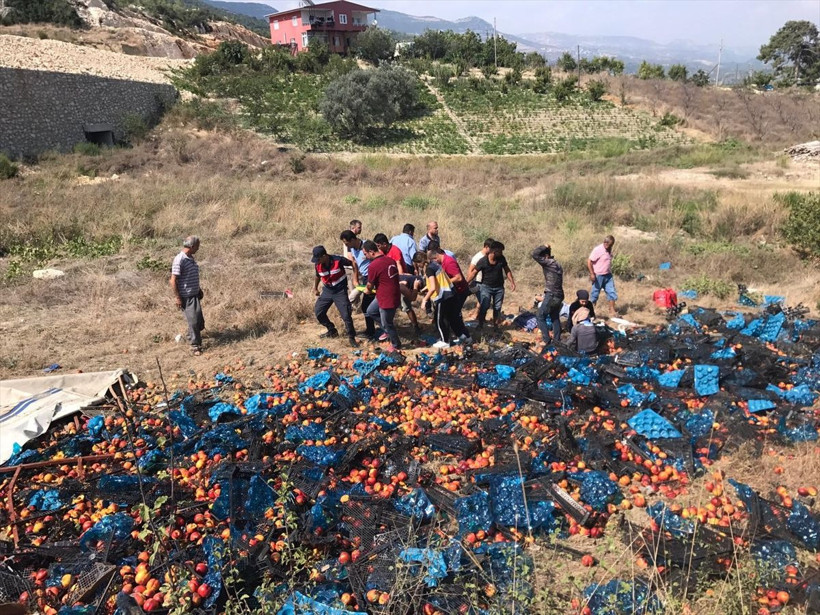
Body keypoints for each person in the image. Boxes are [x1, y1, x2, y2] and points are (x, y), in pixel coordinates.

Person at [422, 247, 471, 346]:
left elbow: (459, 278)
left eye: (434, 260)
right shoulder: (439, 264)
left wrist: (443, 284)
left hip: (458, 291)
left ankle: (450, 339)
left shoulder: (448, 262)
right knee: (451, 317)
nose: (435, 262)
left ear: (437, 256)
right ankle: (463, 337)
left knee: (452, 317)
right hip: (451, 291)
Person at [312, 246, 358, 347]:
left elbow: (353, 264)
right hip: (327, 291)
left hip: (340, 291)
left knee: (346, 315)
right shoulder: (317, 265)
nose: (317, 261)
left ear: (324, 256)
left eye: (318, 259)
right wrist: (315, 288)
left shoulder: (339, 260)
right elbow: (317, 276)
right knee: (319, 312)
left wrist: (355, 279)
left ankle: (351, 337)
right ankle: (331, 330)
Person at [468, 241, 516, 331]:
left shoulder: (501, 259)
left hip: (499, 288)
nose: (501, 253)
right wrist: (466, 283)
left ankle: (496, 326)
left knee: (497, 307)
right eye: (500, 251)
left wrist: (512, 282)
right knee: (484, 306)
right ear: (494, 251)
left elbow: (507, 270)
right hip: (486, 287)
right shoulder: (483, 261)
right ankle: (480, 324)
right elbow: (474, 272)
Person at [170, 236, 205, 356]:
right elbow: (173, 280)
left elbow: (190, 276)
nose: (198, 248)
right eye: (197, 246)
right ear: (192, 246)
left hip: (194, 294)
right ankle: (195, 346)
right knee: (194, 321)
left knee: (199, 322)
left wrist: (198, 289)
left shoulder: (190, 258)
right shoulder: (180, 259)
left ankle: (191, 335)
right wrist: (178, 297)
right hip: (187, 296)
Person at [363, 241, 402, 350]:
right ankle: (387, 331)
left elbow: (370, 285)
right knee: (371, 311)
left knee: (387, 323)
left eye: (365, 254)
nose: (365, 257)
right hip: (389, 294)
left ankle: (396, 345)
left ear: (371, 252)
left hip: (386, 298)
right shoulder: (390, 260)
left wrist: (367, 290)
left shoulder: (373, 266)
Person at [341, 230, 376, 340]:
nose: (346, 246)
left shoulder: (366, 247)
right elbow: (355, 263)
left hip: (372, 278)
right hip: (365, 279)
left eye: (347, 243)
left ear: (352, 240)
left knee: (367, 305)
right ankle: (371, 330)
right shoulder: (352, 249)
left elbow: (377, 259)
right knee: (367, 305)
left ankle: (372, 331)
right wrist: (355, 278)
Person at [532, 244, 564, 345]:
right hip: (559, 294)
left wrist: (543, 246)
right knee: (554, 317)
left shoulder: (548, 263)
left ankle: (547, 340)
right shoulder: (557, 264)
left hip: (552, 295)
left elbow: (534, 254)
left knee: (540, 316)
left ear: (545, 256)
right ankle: (557, 340)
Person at [587, 235, 618, 315]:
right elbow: (589, 261)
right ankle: (591, 311)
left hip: (608, 275)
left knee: (612, 292)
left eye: (611, 245)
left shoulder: (609, 249)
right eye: (608, 244)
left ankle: (612, 310)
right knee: (595, 293)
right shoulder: (598, 249)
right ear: (605, 242)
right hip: (598, 275)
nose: (609, 246)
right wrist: (592, 274)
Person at [342, 220, 363, 301]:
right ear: (353, 228)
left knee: (354, 289)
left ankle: (353, 308)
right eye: (359, 227)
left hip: (349, 267)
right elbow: (350, 255)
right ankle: (349, 303)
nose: (360, 229)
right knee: (359, 287)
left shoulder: (347, 237)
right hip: (352, 267)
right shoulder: (349, 239)